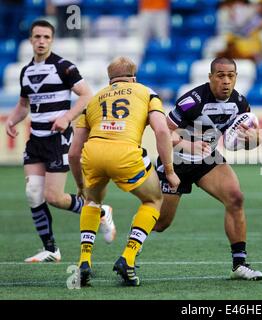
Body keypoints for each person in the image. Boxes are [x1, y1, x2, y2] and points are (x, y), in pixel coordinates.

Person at [5, 20, 116, 263]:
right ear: (31, 40)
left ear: (52, 40)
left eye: (46, 37)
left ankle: (99, 211)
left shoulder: (64, 67)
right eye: (37, 37)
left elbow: (87, 95)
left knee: (54, 197)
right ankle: (51, 249)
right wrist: (11, 121)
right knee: (33, 194)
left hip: (58, 140)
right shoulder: (26, 71)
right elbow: (24, 106)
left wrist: (67, 117)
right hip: (36, 140)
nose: (41, 41)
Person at [68, 56, 180, 287]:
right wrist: (169, 170)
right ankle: (128, 258)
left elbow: (73, 152)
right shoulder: (146, 92)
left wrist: (80, 185)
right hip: (125, 153)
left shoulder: (94, 98)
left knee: (92, 201)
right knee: (154, 199)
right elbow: (161, 131)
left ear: (111, 81)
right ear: (134, 78)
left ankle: (84, 261)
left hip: (94, 152)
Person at [153, 57, 262, 281]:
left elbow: (251, 142)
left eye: (230, 76)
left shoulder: (240, 103)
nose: (226, 81)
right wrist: (188, 144)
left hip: (207, 158)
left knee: (235, 198)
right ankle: (128, 250)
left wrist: (254, 138)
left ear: (236, 77)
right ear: (210, 77)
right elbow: (163, 133)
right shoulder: (192, 100)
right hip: (177, 160)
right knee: (161, 223)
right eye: (220, 75)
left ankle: (239, 264)